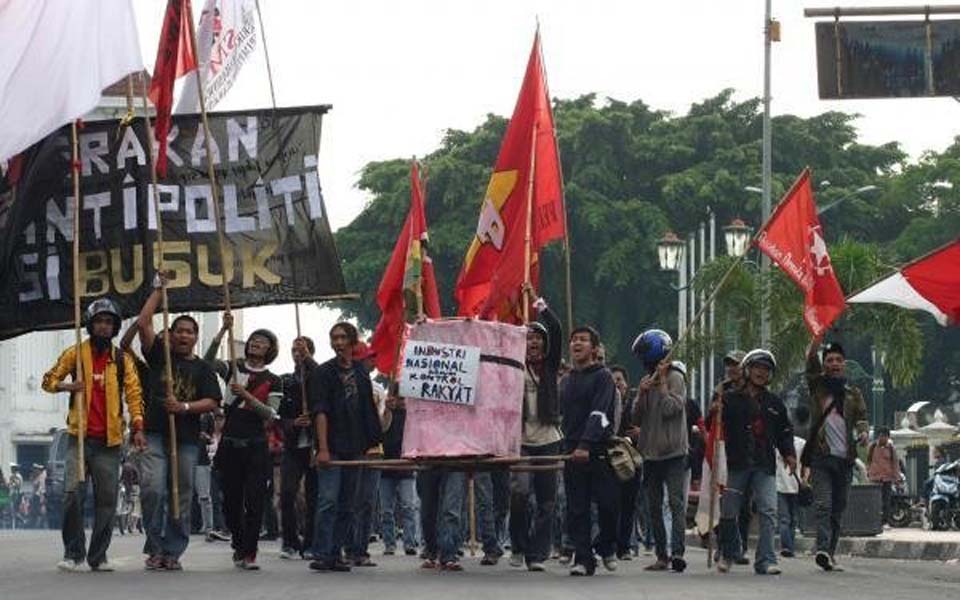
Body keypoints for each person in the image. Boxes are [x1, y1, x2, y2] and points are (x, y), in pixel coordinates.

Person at [42, 297, 145, 572]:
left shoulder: (122, 360)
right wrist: (68, 387)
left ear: (115, 328)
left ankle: (98, 556)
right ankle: (73, 553)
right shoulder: (74, 354)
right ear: (90, 324)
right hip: (79, 438)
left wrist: (137, 427)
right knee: (72, 495)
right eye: (99, 321)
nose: (103, 327)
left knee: (107, 500)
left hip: (110, 443)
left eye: (109, 323)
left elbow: (134, 396)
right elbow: (48, 381)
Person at [137, 274, 223, 571]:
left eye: (190, 332)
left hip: (186, 438)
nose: (184, 336)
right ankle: (155, 545)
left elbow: (213, 401)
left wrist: (184, 406)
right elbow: (143, 323)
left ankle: (173, 550)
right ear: (171, 334)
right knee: (152, 489)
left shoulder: (203, 368)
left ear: (196, 337)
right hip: (155, 433)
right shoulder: (161, 358)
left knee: (181, 493)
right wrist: (159, 290)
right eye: (180, 331)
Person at [206, 318, 283, 570]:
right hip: (229, 443)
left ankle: (250, 551)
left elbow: (271, 414)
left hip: (256, 446)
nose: (256, 343)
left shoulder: (273, 380)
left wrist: (246, 395)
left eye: (263, 342)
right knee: (230, 502)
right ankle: (238, 544)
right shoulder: (233, 367)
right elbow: (206, 364)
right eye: (253, 340)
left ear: (270, 350)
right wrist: (221, 333)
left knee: (255, 500)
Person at [308, 322, 384, 572]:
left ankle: (335, 553)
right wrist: (323, 448)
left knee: (348, 503)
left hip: (355, 447)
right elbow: (320, 411)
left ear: (352, 343)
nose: (338, 342)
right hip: (332, 445)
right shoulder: (323, 373)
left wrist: (371, 441)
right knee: (328, 500)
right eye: (334, 338)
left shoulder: (362, 375)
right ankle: (321, 553)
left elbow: (368, 413)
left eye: (342, 337)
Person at [715, 350, 796, 575]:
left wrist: (789, 454)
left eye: (766, 369)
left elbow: (785, 432)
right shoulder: (729, 398)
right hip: (736, 462)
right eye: (758, 367)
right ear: (748, 369)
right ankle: (728, 552)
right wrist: (715, 412)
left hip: (764, 464)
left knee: (769, 510)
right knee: (729, 510)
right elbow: (715, 428)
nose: (761, 373)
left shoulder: (775, 403)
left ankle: (766, 560)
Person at [802, 341, 869, 572]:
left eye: (838, 360)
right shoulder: (817, 386)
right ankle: (821, 549)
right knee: (823, 505)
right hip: (821, 457)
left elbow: (862, 418)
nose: (834, 364)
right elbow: (810, 362)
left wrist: (862, 433)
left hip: (846, 459)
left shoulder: (854, 393)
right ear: (825, 364)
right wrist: (815, 342)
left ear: (844, 364)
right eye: (829, 360)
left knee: (838, 507)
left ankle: (829, 553)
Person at [509, 295, 563, 571]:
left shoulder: (551, 366)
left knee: (547, 500)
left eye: (537, 338)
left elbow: (557, 331)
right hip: (520, 440)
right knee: (519, 493)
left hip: (549, 438)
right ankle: (518, 546)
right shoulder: (513, 367)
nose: (533, 343)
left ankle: (537, 554)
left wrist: (543, 309)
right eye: (528, 338)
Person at [560, 325, 618, 576]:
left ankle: (605, 546)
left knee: (608, 504)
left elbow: (599, 413)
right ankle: (583, 559)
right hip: (572, 450)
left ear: (594, 348)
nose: (577, 343)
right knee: (577, 507)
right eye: (573, 340)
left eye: (583, 340)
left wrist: (586, 444)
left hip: (597, 449)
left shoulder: (603, 376)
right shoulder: (567, 380)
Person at [632, 329, 688, 573]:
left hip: (674, 452)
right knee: (653, 506)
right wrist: (641, 394)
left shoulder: (675, 377)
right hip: (651, 453)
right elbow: (636, 418)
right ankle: (661, 554)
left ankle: (677, 552)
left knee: (676, 504)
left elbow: (670, 409)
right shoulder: (646, 380)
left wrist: (663, 383)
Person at [345, 340, 387, 567]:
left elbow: (383, 427)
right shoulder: (344, 387)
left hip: (373, 452)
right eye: (368, 358)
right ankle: (349, 546)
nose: (372, 362)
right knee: (350, 500)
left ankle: (360, 549)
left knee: (367, 502)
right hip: (350, 450)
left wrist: (388, 409)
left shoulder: (378, 390)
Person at [278, 336, 319, 559]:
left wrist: (309, 360)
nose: (297, 354)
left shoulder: (320, 377)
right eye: (294, 350)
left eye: (302, 350)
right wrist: (293, 423)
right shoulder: (286, 381)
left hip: (315, 445)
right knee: (287, 493)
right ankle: (290, 541)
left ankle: (311, 542)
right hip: (293, 446)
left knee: (315, 495)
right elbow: (278, 416)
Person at [380, 386, 420, 557]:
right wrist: (387, 410)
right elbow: (381, 430)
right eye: (398, 398)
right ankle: (389, 544)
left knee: (408, 508)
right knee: (386, 510)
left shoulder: (412, 418)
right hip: (386, 468)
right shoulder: (385, 414)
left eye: (404, 399)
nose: (401, 402)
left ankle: (409, 543)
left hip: (406, 468)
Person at [611, 364, 641, 560]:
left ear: (626, 382)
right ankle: (609, 544)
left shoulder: (634, 402)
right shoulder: (604, 402)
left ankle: (624, 547)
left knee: (629, 504)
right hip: (610, 458)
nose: (616, 383)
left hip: (632, 459)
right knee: (610, 503)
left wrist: (640, 432)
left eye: (619, 379)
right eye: (612, 380)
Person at [777, 429, 806, 558]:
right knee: (791, 519)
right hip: (793, 484)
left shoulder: (776, 444)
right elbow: (806, 464)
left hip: (784, 485)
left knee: (786, 519)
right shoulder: (801, 443)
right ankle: (788, 547)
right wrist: (804, 479)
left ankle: (787, 547)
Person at [867, 426, 901, 527]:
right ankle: (874, 521)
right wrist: (869, 472)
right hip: (875, 478)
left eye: (885, 436)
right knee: (875, 501)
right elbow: (868, 460)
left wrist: (897, 478)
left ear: (888, 437)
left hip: (887, 478)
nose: (882, 438)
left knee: (886, 501)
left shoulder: (891, 448)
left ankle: (885, 522)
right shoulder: (872, 447)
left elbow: (895, 463)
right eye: (881, 436)